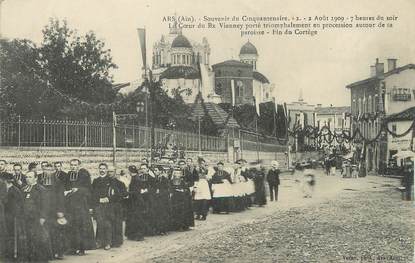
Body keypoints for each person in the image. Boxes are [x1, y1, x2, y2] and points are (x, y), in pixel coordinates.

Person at [92, 163, 126, 250]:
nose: (102, 170)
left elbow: (116, 194)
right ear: (98, 170)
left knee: (107, 223)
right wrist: (98, 200)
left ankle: (108, 242)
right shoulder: (96, 181)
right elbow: (92, 193)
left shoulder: (111, 181)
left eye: (104, 169)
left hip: (109, 205)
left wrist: (108, 199)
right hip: (98, 205)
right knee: (99, 223)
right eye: (100, 168)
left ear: (106, 170)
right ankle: (99, 242)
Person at [65, 159, 95, 256]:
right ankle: (73, 248)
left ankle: (82, 248)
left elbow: (89, 189)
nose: (73, 167)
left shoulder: (84, 174)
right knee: (71, 226)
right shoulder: (68, 174)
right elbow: (65, 187)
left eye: (75, 165)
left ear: (79, 165)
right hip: (70, 204)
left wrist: (78, 189)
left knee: (81, 226)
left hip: (81, 205)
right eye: (71, 165)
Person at [22, 171, 53, 262]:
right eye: (27, 177)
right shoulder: (24, 188)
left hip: (37, 219)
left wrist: (43, 217)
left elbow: (46, 205)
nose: (28, 179)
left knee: (39, 240)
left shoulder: (41, 189)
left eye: (30, 177)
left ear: (36, 178)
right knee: (29, 240)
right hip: (26, 219)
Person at [38, 163, 67, 260]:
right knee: (45, 232)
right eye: (46, 170)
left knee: (56, 232)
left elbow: (61, 198)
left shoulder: (58, 182)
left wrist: (60, 210)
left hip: (55, 210)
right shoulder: (40, 181)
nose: (48, 172)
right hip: (44, 210)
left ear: (53, 171)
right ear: (43, 170)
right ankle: (48, 253)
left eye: (50, 170)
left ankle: (59, 252)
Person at [3, 173, 28, 262]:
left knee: (13, 236)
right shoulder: (5, 189)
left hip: (13, 217)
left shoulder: (14, 190)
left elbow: (18, 205)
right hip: (6, 216)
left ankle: (14, 255)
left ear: (6, 181)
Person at [170, 162, 194, 231]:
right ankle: (177, 226)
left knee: (185, 210)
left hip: (184, 196)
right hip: (176, 197)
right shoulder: (173, 178)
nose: (177, 175)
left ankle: (185, 225)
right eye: (176, 173)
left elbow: (189, 185)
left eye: (183, 164)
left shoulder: (186, 176)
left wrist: (184, 188)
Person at [125, 165, 146, 241]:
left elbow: (136, 191)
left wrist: (127, 193)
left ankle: (138, 235)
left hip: (136, 201)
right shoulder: (136, 178)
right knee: (134, 218)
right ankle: (134, 235)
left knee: (136, 218)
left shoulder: (135, 179)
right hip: (135, 200)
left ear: (130, 171)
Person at [152, 166, 170, 234]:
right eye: (154, 170)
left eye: (156, 170)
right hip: (156, 199)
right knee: (157, 214)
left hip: (163, 200)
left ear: (160, 171)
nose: (155, 171)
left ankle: (163, 229)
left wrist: (160, 191)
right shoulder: (155, 179)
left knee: (163, 214)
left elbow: (167, 189)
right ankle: (158, 229)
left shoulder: (165, 179)